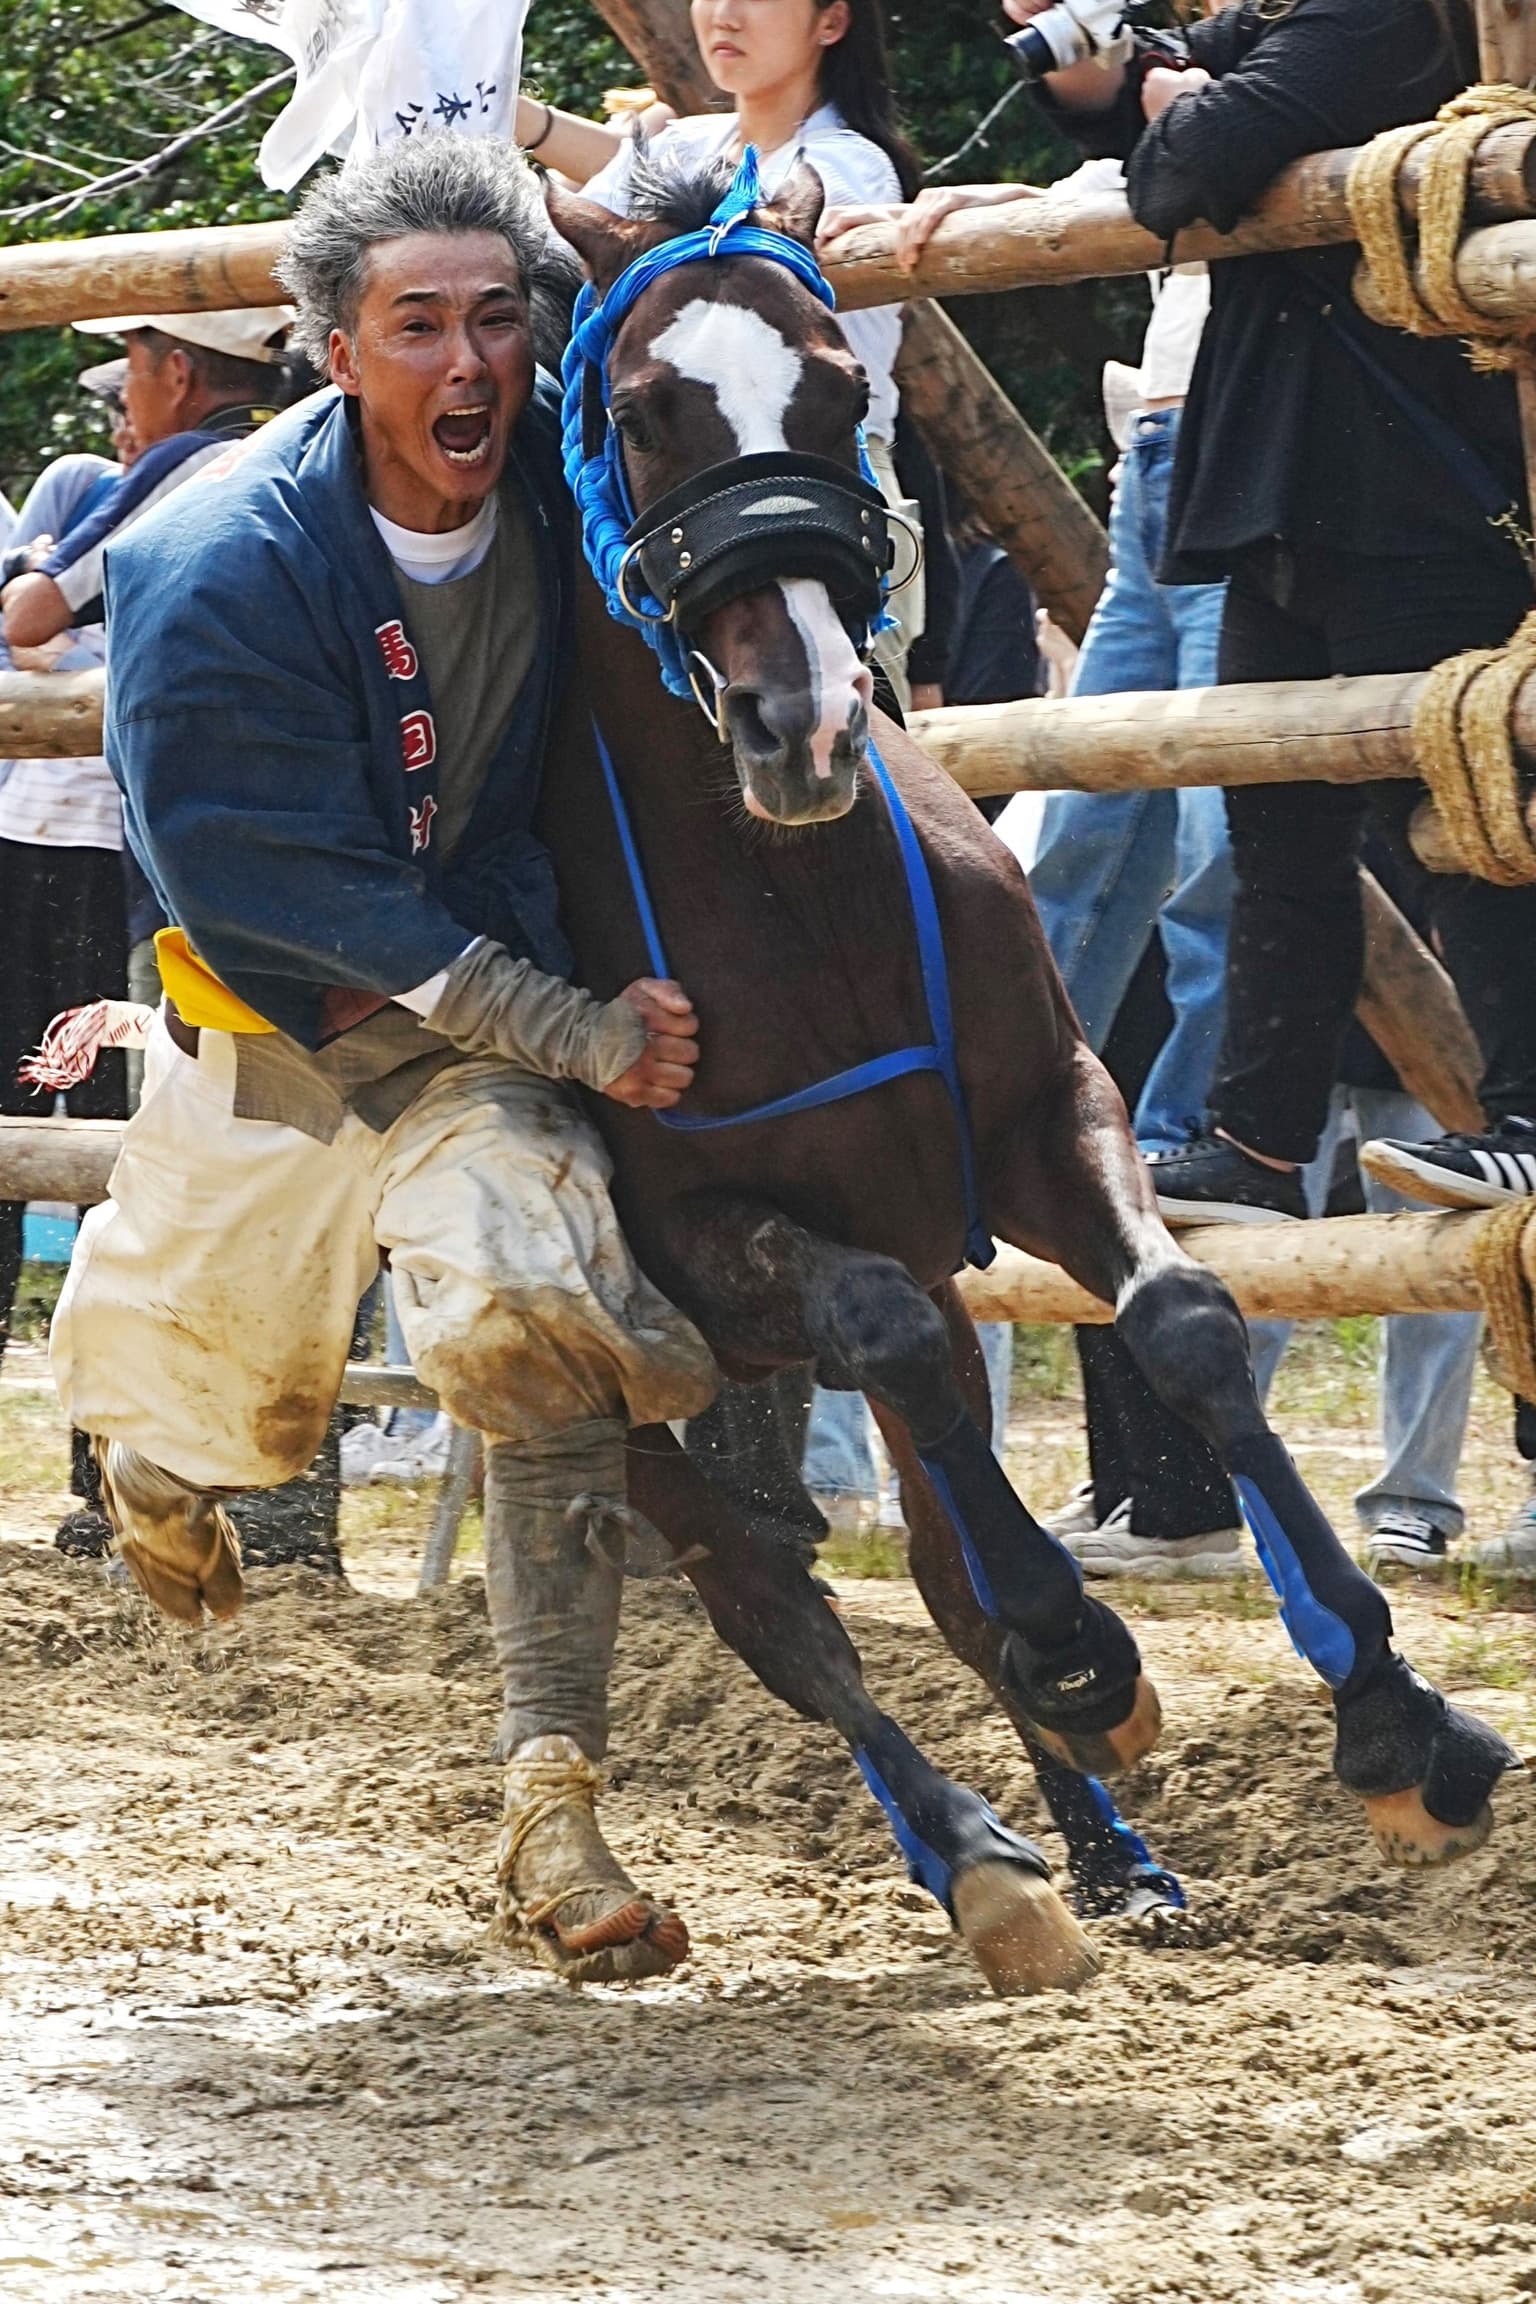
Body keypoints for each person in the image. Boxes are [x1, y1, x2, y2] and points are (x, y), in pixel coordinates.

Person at [50, 135, 720, 1984]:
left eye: (497, 318)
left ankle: (553, 1806)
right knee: (199, 1409)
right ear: (335, 350)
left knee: (529, 1322)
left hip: (464, 1048)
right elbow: (278, 880)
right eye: (418, 322)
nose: (468, 363)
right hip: (281, 1030)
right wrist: (567, 1020)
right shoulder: (205, 564)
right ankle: (152, 1461)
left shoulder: (571, 510)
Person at [1010, 0, 1536, 1224]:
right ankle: (1257, 1143)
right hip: (1286, 490)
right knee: (1277, 841)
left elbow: (1188, 163)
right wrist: (1141, 91)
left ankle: (1525, 1117)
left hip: (1411, 495)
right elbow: (1159, 142)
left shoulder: (1386, 18)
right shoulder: (1299, 26)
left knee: (1464, 814)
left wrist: (1180, 115)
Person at [517, 0, 925, 703]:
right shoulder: (686, 148)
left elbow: (717, 241)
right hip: (680, 480)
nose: (724, 15)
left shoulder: (848, 164)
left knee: (851, 738)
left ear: (831, 22)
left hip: (827, 479)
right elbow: (543, 242)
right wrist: (498, 108)